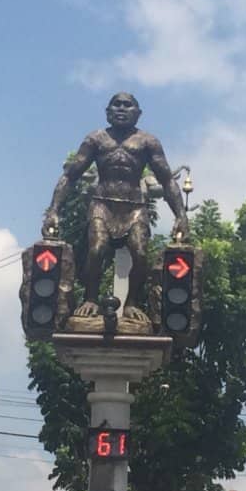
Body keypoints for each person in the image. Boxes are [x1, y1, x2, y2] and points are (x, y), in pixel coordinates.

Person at [42, 92, 189, 322]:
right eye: (117, 105)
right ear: (108, 112)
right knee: (96, 249)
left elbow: (167, 180)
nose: (121, 109)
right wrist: (53, 210)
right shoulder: (96, 139)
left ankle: (131, 303)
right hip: (103, 204)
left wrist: (181, 215)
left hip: (135, 206)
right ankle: (90, 298)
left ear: (138, 113)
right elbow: (70, 176)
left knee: (140, 254)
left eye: (127, 105)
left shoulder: (148, 142)